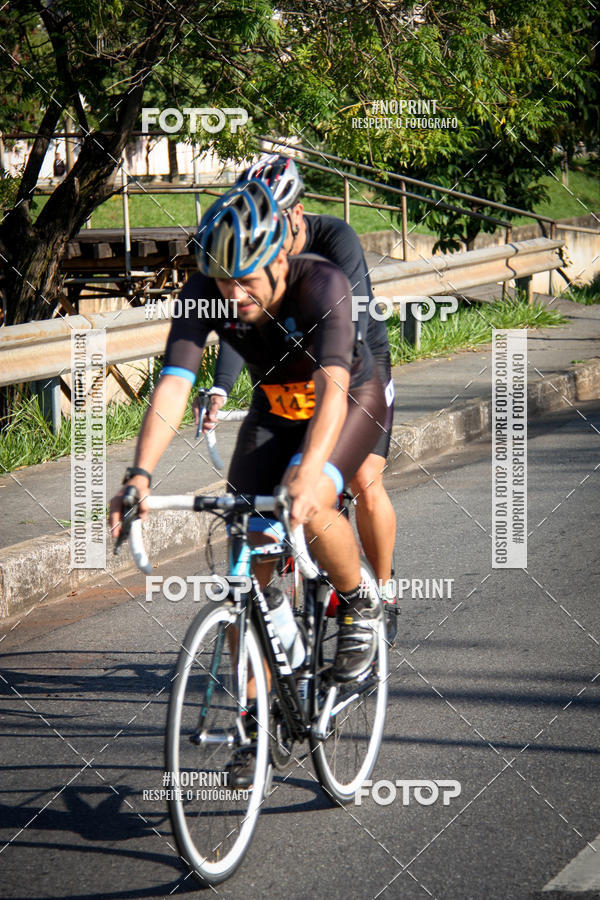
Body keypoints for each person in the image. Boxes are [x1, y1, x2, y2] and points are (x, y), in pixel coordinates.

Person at [110, 179, 387, 685]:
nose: (233, 295)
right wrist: (140, 475)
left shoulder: (323, 285)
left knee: (316, 498)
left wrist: (308, 472)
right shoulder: (204, 292)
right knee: (246, 570)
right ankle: (252, 726)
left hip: (347, 403)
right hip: (276, 406)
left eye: (246, 280)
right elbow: (174, 384)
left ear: (280, 261)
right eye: (222, 281)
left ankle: (359, 602)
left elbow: (333, 387)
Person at [195, 153, 397, 587]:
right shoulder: (250, 253)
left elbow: (351, 324)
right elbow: (239, 323)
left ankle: (382, 592)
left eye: (272, 215)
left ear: (297, 212)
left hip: (355, 360)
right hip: (288, 369)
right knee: (266, 498)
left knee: (363, 476)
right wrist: (221, 387)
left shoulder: (334, 238)